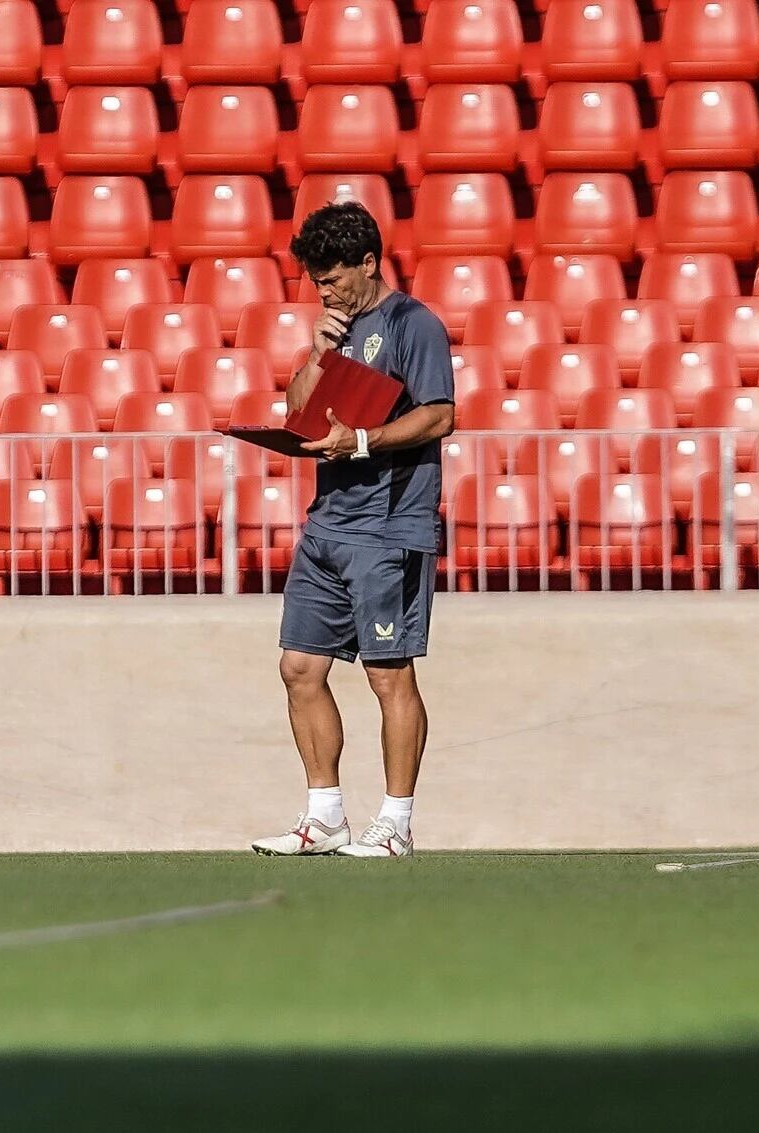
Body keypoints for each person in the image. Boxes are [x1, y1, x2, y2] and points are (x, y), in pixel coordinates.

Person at [251, 202, 456, 859]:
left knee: (388, 675)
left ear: (369, 263)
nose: (325, 292)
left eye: (334, 279)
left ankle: (395, 824)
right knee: (299, 667)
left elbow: (440, 416)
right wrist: (317, 352)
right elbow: (298, 409)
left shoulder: (413, 324)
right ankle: (325, 817)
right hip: (329, 523)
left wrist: (363, 440)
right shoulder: (337, 331)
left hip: (388, 526)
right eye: (317, 282)